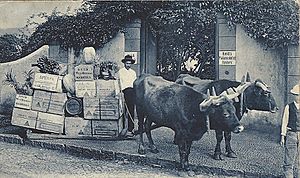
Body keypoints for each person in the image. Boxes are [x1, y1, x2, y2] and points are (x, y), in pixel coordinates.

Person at [280, 84, 300, 178]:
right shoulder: (289, 107)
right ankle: (289, 176)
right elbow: (285, 121)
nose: (297, 97)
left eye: (298, 95)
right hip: (291, 134)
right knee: (289, 158)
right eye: (296, 95)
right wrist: (283, 136)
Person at [118, 55, 137, 137]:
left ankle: (130, 128)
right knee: (123, 111)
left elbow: (135, 83)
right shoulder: (121, 72)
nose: (128, 65)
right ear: (124, 63)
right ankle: (122, 128)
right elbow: (120, 83)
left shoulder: (133, 72)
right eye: (127, 63)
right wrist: (121, 92)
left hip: (132, 92)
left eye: (129, 63)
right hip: (124, 91)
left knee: (131, 110)